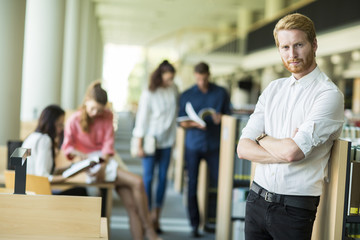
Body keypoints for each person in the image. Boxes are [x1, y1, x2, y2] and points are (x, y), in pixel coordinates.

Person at [237, 13, 344, 240]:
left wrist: (262, 138)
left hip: (294, 208)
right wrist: (283, 148)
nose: (292, 54)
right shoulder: (273, 89)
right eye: (285, 47)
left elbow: (293, 152)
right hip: (256, 199)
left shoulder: (328, 95)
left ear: (314, 44)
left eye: (298, 45)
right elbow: (243, 149)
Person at [61, 81, 161, 240]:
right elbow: (67, 148)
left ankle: (145, 233)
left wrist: (103, 163)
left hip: (107, 161)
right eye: (93, 108)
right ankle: (149, 230)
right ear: (86, 100)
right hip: (88, 165)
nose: (95, 113)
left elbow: (108, 144)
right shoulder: (74, 120)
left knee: (132, 206)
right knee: (138, 182)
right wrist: (84, 155)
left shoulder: (107, 115)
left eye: (99, 110)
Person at [178, 62, 231, 237]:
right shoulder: (186, 94)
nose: (201, 82)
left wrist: (220, 118)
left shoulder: (221, 93)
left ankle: (213, 221)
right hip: (193, 144)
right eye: (198, 79)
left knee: (218, 184)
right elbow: (181, 122)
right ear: (195, 76)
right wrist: (193, 123)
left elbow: (229, 117)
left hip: (215, 145)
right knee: (192, 184)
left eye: (204, 78)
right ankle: (194, 224)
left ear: (209, 75)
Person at [132, 60, 178, 233]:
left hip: (167, 142)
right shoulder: (149, 92)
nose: (170, 82)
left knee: (163, 179)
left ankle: (156, 216)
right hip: (150, 142)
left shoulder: (173, 89)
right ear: (159, 77)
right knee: (149, 179)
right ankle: (147, 216)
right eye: (167, 79)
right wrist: (139, 144)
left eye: (172, 78)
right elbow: (142, 119)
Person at [22, 104, 87, 195]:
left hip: (29, 191)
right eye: (60, 125)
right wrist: (66, 177)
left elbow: (43, 170)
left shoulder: (31, 137)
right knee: (81, 191)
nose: (61, 130)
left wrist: (70, 167)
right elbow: (42, 176)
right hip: (38, 195)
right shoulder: (45, 140)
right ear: (51, 124)